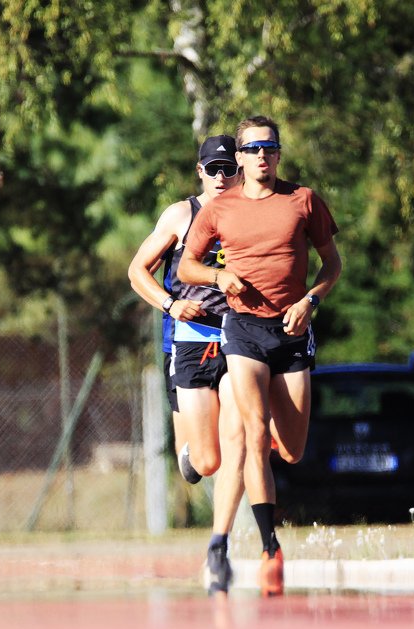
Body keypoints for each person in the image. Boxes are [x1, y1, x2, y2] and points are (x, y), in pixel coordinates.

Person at [178, 115, 343, 596]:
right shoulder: (220, 207)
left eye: (269, 148)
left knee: (289, 449)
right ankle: (251, 546)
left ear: (278, 153)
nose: (261, 157)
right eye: (252, 149)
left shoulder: (303, 200)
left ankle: (260, 456)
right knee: (250, 433)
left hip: (291, 332)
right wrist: (217, 278)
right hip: (244, 330)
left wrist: (310, 301)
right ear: (241, 156)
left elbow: (332, 263)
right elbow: (188, 263)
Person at [128, 134, 245, 594]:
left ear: (239, 171)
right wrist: (171, 305)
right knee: (207, 461)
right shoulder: (181, 215)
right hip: (190, 337)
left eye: (227, 169)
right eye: (212, 169)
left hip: (240, 337)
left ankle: (226, 543)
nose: (221, 177)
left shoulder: (251, 214)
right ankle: (191, 449)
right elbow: (138, 270)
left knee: (240, 437)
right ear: (199, 171)